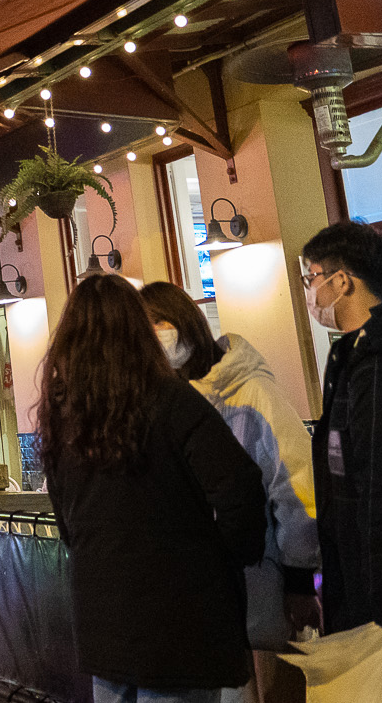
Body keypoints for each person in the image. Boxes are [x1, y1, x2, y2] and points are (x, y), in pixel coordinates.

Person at [41, 273, 267, 703]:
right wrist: (225, 559)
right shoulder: (172, 400)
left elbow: (64, 512)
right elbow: (239, 487)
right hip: (181, 618)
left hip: (101, 614)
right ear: (136, 331)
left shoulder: (63, 414)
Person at [141, 280, 318, 702]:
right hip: (212, 595)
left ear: (185, 322)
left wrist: (297, 579)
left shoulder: (251, 393)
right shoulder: (174, 400)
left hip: (267, 582)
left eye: (159, 325)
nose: (154, 340)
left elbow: (296, 484)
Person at [300, 220, 382, 636]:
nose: (309, 292)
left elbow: (378, 482)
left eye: (310, 277)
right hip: (351, 574)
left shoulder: (377, 357)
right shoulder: (346, 355)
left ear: (341, 281)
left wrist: (381, 597)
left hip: (374, 587)